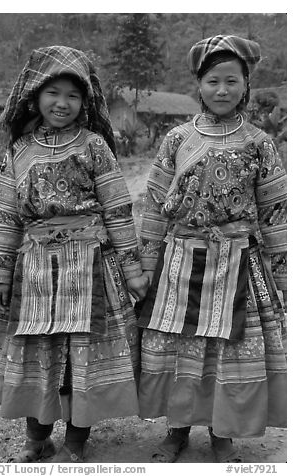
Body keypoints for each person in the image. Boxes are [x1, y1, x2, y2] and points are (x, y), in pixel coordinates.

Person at [0, 45, 148, 463]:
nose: (63, 103)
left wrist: (132, 270)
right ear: (34, 96)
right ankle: (36, 438)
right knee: (37, 354)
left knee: (82, 360)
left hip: (91, 268)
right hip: (36, 270)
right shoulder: (19, 150)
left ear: (86, 101)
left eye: (73, 96)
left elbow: (117, 208)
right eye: (53, 93)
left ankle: (77, 440)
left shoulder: (94, 146)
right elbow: (4, 215)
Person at [136, 35, 287, 463]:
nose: (222, 91)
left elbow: (276, 213)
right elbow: (153, 205)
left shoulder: (260, 143)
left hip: (239, 261)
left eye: (232, 81)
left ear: (246, 85)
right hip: (181, 263)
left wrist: (282, 277)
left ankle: (224, 434)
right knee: (179, 350)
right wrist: (145, 265)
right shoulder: (176, 139)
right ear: (198, 85)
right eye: (213, 81)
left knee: (228, 355)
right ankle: (177, 430)